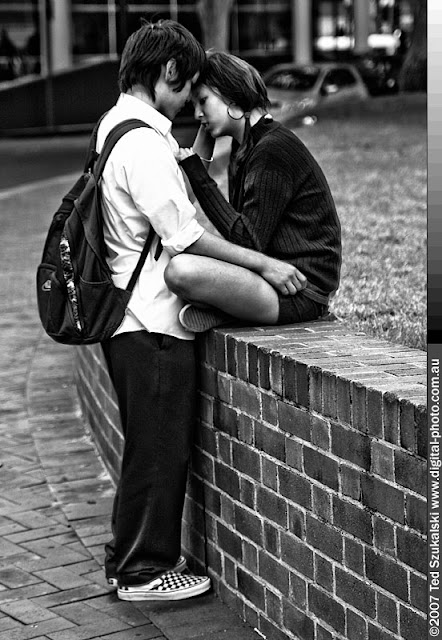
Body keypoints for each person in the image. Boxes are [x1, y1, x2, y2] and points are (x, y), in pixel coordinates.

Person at [98, 21, 306, 602]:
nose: (193, 99)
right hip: (152, 322)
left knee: (145, 445)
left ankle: (126, 559)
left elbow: (180, 208)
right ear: (170, 71)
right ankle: (144, 572)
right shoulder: (143, 143)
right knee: (159, 450)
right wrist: (264, 266)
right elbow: (185, 237)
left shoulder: (115, 125)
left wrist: (197, 153)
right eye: (190, 85)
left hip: (128, 318)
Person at [166, 51, 342, 333]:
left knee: (181, 271)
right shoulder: (245, 146)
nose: (198, 114)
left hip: (300, 290)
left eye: (203, 101)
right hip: (271, 279)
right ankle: (233, 312)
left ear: (231, 95)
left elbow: (247, 241)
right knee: (174, 261)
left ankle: (232, 312)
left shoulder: (272, 149)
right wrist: (207, 135)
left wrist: (198, 175)